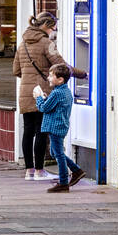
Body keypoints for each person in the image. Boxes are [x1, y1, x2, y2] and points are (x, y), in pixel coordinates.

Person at [13, 12, 86, 181]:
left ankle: (29, 171)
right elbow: (62, 66)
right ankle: (40, 171)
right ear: (46, 25)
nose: (54, 31)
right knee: (41, 132)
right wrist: (83, 74)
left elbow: (16, 70)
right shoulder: (47, 43)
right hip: (44, 92)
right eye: (53, 28)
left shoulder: (22, 44)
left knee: (28, 131)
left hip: (26, 92)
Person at [35, 64, 86, 193]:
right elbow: (53, 106)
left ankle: (64, 182)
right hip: (61, 125)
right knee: (55, 152)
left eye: (51, 76)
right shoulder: (64, 91)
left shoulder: (57, 93)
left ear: (60, 79)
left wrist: (39, 98)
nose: (48, 78)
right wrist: (47, 98)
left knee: (58, 154)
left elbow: (44, 108)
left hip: (55, 127)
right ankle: (76, 170)